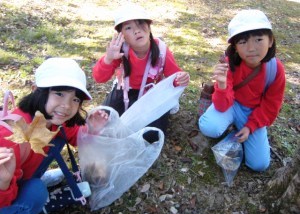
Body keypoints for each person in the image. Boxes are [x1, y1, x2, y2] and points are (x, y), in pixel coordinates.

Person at [0, 57, 109, 214]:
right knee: (36, 192)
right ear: (37, 90)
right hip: (3, 192)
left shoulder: (53, 119)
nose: (67, 106)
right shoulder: (9, 138)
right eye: (59, 93)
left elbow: (75, 137)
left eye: (75, 99)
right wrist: (3, 182)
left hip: (19, 174)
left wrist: (92, 129)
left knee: (57, 139)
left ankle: (33, 177)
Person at [198, 9, 286, 172]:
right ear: (235, 47)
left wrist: (250, 126)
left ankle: (241, 131)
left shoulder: (275, 70)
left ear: (271, 40)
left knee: (259, 165)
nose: (251, 48)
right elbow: (222, 106)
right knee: (209, 127)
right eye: (243, 42)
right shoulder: (229, 64)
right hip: (232, 104)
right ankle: (232, 125)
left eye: (259, 39)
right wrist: (222, 86)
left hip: (253, 112)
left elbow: (271, 106)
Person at [92, 3, 190, 142]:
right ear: (122, 35)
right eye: (128, 28)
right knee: (101, 124)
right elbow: (99, 77)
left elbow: (174, 76)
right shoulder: (120, 51)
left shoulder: (161, 50)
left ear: (149, 27)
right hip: (125, 90)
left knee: (151, 136)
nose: (137, 31)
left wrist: (180, 78)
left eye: (140, 24)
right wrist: (108, 59)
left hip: (151, 93)